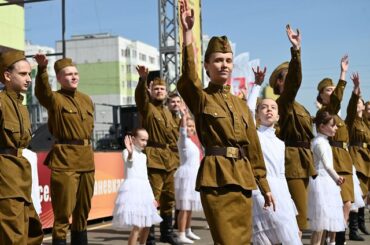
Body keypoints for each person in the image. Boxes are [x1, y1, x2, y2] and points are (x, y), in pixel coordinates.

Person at [177, 2, 274, 244]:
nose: (224, 65)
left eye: (228, 60)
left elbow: (253, 147)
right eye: (218, 60)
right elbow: (189, 79)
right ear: (207, 65)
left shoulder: (240, 104)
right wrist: (188, 35)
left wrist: (264, 186)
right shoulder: (201, 98)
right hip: (216, 178)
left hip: (242, 179)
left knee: (242, 241)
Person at [34, 54, 95, 245]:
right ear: (59, 78)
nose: (74, 77)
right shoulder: (55, 99)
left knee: (83, 211)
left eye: (76, 73)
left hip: (86, 159)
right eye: (68, 74)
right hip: (65, 159)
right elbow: (42, 93)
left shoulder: (86, 99)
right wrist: (42, 69)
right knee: (63, 213)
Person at [269, 24, 317, 234]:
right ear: (279, 83)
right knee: (295, 219)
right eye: (286, 76)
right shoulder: (284, 102)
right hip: (292, 162)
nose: (291, 79)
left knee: (299, 217)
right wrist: (296, 51)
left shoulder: (300, 106)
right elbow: (295, 82)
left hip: (304, 161)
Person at [247, 67, 301, 245]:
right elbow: (247, 112)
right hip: (262, 190)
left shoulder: (280, 143)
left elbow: (282, 174)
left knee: (289, 236)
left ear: (278, 116)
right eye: (263, 107)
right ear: (257, 114)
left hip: (282, 192)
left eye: (273, 108)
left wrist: (288, 198)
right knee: (266, 237)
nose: (268, 110)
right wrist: (256, 85)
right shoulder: (255, 135)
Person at [0, 50, 44, 245]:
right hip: (5, 176)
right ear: (7, 76)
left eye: (29, 74)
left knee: (31, 231)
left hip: (22, 175)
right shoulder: (1, 102)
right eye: (23, 74)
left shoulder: (22, 107)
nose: (28, 79)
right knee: (14, 236)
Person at [135, 66, 179, 245]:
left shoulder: (170, 113)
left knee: (169, 198)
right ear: (151, 92)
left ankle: (167, 233)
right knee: (152, 199)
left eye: (162, 89)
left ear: (166, 92)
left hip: (170, 158)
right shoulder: (148, 108)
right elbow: (140, 98)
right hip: (154, 158)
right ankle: (149, 236)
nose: (159, 91)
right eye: (156, 89)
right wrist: (143, 80)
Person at [315, 55, 356, 244]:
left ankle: (336, 238)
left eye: (333, 89)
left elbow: (349, 109)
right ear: (321, 95)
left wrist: (355, 91)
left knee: (347, 203)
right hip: (334, 160)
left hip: (345, 158)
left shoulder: (335, 114)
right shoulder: (325, 112)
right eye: (328, 90)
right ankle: (337, 239)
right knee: (341, 203)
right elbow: (338, 98)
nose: (332, 93)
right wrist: (343, 74)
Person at [112, 129, 162, 245]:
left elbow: (145, 178)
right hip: (133, 192)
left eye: (146, 140)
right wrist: (130, 153)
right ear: (133, 139)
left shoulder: (144, 156)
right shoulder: (126, 152)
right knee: (137, 226)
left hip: (145, 191)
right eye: (142, 139)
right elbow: (129, 163)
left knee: (147, 224)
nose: (145, 143)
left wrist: (152, 197)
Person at [308, 110, 346, 245]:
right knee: (319, 226)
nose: (336, 128)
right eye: (332, 125)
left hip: (326, 182)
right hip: (322, 183)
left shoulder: (322, 141)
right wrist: (337, 178)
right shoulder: (320, 143)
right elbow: (328, 165)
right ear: (322, 127)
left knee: (323, 225)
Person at [346, 72, 370, 236]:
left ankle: (361, 224)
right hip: (356, 156)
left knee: (364, 193)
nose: (359, 104)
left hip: (366, 157)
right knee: (358, 193)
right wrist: (356, 91)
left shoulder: (366, 123)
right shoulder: (352, 119)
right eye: (358, 102)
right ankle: (354, 228)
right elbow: (352, 104)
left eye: (361, 102)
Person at [174, 105, 202, 244]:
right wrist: (184, 115)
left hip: (194, 175)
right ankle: (181, 233)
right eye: (188, 126)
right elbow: (183, 132)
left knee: (189, 206)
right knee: (184, 208)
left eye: (192, 126)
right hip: (186, 176)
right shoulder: (183, 140)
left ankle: (188, 230)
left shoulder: (193, 142)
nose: (190, 128)